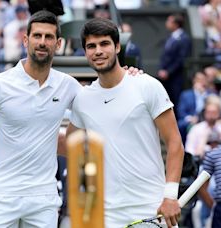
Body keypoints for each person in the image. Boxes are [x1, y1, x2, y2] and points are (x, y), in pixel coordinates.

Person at [0, 10, 82, 227]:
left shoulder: (69, 86)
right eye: (37, 36)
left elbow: (103, 99)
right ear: (25, 40)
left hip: (44, 200)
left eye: (49, 37)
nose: (42, 42)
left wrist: (128, 74)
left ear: (58, 44)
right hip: (1, 198)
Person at [67, 17, 184, 228]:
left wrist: (170, 195)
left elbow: (175, 142)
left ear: (117, 46)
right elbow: (70, 145)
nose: (98, 51)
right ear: (85, 52)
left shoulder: (147, 85)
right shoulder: (82, 99)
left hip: (152, 207)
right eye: (91, 46)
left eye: (104, 44)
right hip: (105, 214)